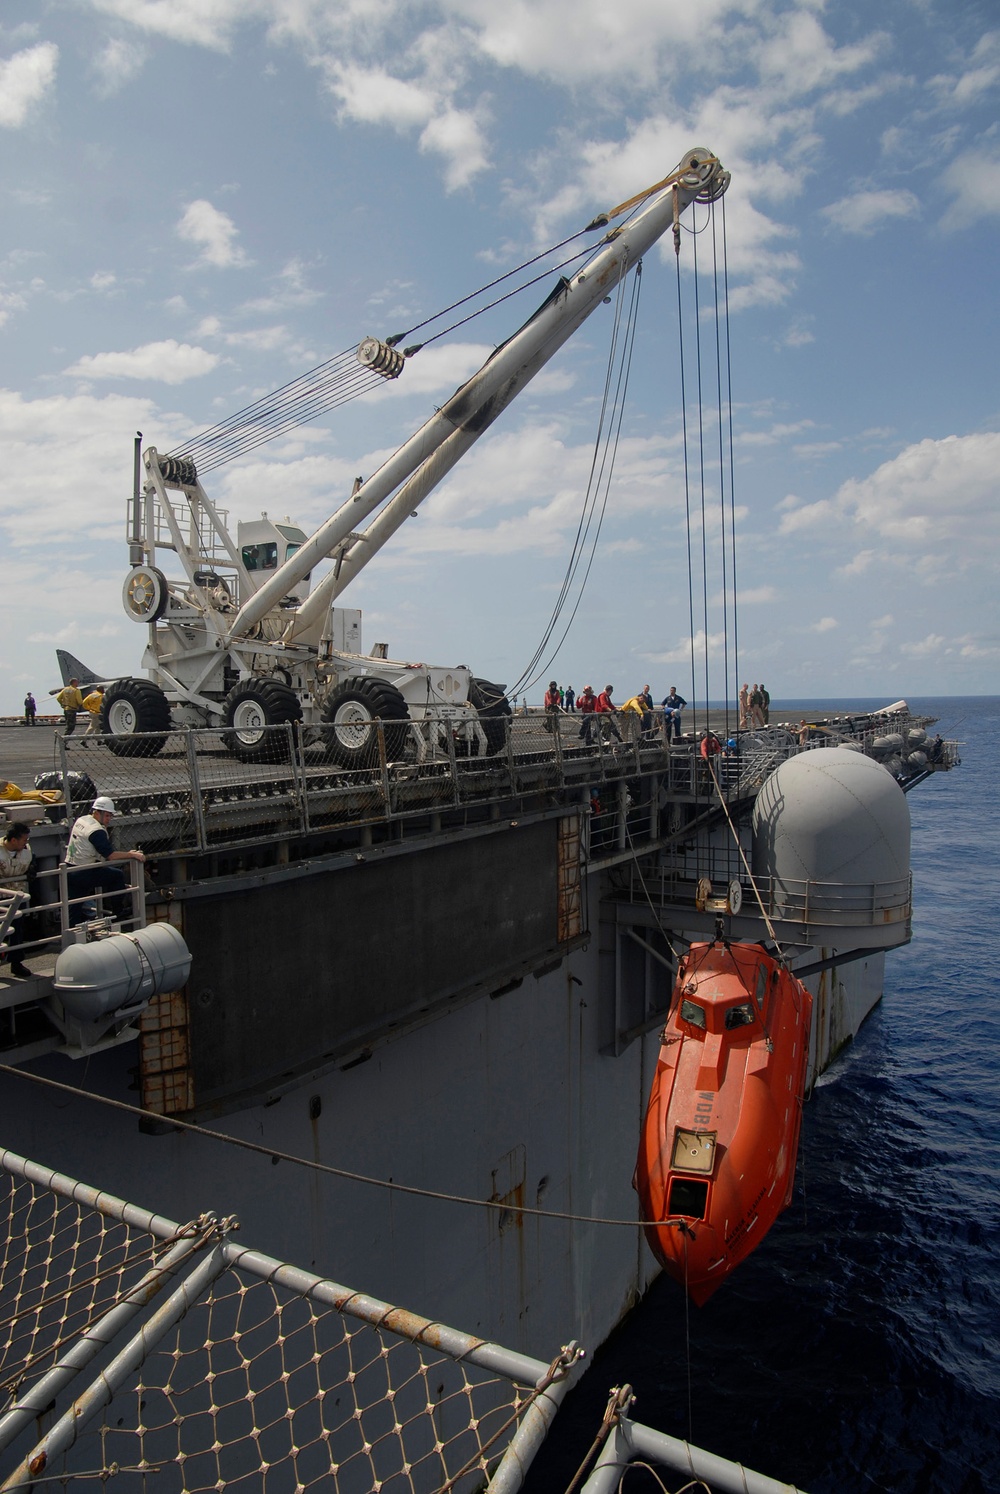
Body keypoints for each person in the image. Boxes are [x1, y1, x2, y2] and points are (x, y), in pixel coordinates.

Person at [66, 796, 146, 925]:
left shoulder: (82, 820)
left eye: (110, 816)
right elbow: (111, 855)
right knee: (117, 876)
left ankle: (71, 932)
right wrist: (132, 854)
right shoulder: (96, 831)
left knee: (74, 904)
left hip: (71, 868)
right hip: (85, 871)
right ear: (97, 813)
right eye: (107, 816)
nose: (109, 820)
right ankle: (118, 912)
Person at [0, 822, 34, 978]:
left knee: (17, 930)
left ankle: (16, 963)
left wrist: (33, 869)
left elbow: (31, 865)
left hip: (16, 896)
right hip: (1, 896)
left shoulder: (26, 852)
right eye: (23, 840)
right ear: (13, 840)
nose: (26, 843)